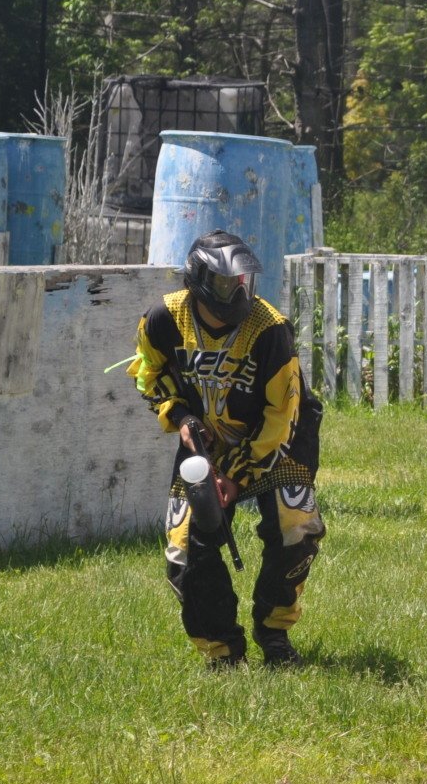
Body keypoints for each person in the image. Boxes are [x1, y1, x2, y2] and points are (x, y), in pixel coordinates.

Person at [129, 230, 324, 668]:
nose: (238, 293)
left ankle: (274, 635)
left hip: (280, 440)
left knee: (295, 529)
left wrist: (236, 476)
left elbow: (283, 413)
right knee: (185, 549)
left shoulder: (271, 328)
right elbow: (148, 374)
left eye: (243, 283)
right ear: (197, 281)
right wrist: (182, 419)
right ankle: (222, 652)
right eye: (225, 284)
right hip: (205, 442)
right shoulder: (163, 318)